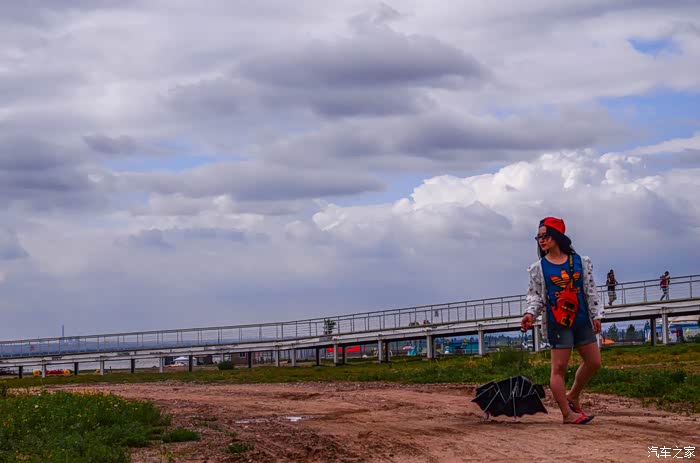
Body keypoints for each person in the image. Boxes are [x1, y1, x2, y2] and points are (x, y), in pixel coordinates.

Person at [521, 217, 604, 425]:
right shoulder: (539, 268)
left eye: (545, 236)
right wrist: (530, 314)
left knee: (594, 362)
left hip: (582, 319)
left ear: (557, 237)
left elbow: (590, 290)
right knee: (558, 369)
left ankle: (573, 395)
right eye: (538, 237)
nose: (541, 240)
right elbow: (535, 297)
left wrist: (596, 315)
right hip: (558, 323)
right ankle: (567, 414)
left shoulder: (580, 262)